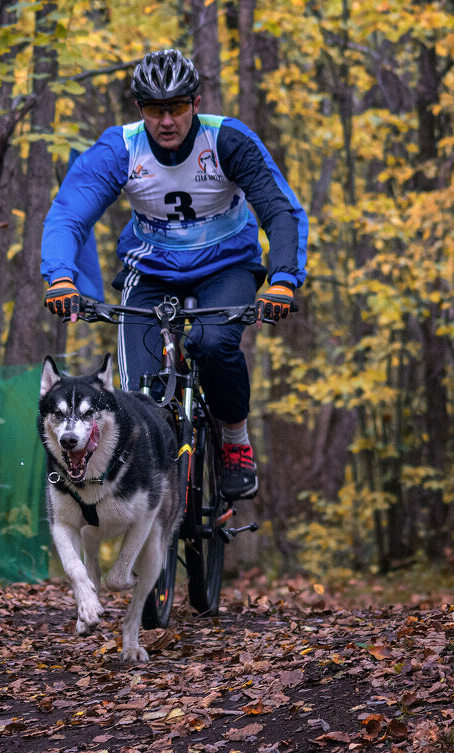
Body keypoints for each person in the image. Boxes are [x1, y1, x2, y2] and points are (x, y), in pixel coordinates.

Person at [40, 47, 308, 500]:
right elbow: (69, 214)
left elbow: (280, 211)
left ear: (196, 104)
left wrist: (282, 280)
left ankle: (234, 441)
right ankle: (149, 491)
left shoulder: (228, 141)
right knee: (139, 395)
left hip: (226, 266)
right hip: (150, 271)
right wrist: (61, 278)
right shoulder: (120, 149)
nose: (167, 121)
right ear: (140, 109)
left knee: (212, 342)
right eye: (155, 109)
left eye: (177, 108)